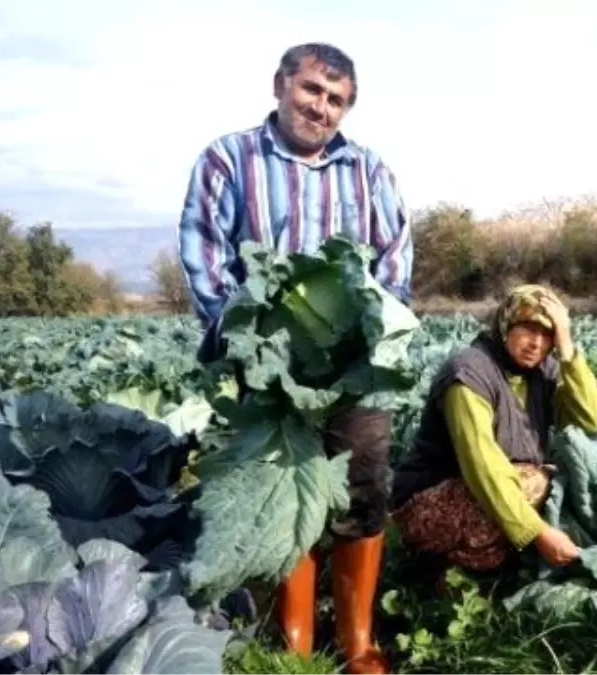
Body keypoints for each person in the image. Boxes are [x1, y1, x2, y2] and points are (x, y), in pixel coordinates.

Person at [175, 42, 410, 674]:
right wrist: (250, 338)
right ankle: (294, 638)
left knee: (364, 489)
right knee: (281, 497)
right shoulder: (228, 159)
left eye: (336, 100)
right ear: (280, 85)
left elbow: (394, 260)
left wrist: (366, 337)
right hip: (265, 369)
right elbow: (204, 253)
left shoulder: (369, 170)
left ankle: (359, 642)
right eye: (311, 90)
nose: (322, 107)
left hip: (354, 370)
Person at [389, 284, 597, 574]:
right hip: (422, 503)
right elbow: (482, 465)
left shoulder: (543, 371)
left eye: (547, 334)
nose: (536, 343)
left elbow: (588, 419)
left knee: (548, 477)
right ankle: (439, 571)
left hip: (480, 491)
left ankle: (487, 568)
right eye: (528, 329)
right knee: (533, 482)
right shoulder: (468, 374)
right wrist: (537, 534)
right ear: (505, 325)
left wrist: (568, 350)